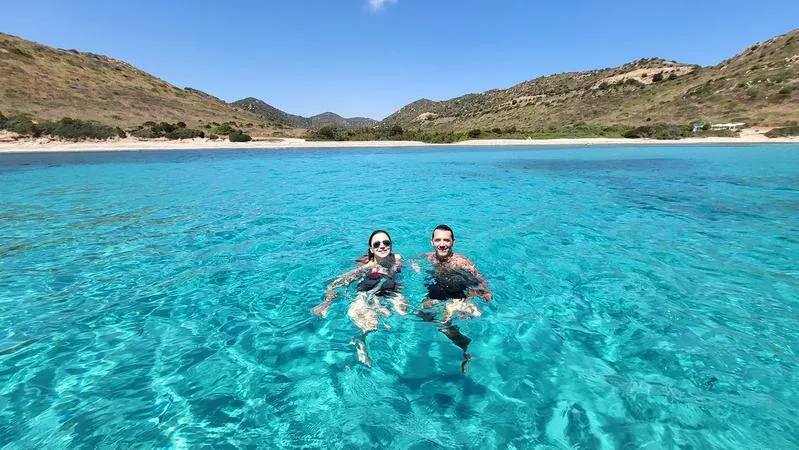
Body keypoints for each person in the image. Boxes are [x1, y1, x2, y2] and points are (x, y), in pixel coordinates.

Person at [312, 230, 407, 367]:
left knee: (403, 313)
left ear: (391, 245)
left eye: (386, 242)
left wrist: (415, 267)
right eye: (377, 244)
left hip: (389, 290)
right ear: (371, 249)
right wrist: (326, 303)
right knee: (371, 325)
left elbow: (408, 264)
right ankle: (360, 341)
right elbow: (335, 284)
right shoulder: (368, 267)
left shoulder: (397, 258)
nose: (382, 246)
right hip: (366, 293)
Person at [416, 224, 492, 373]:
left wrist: (483, 292)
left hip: (457, 293)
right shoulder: (427, 258)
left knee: (452, 317)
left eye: (446, 240)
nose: (442, 244)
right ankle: (454, 334)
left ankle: (463, 345)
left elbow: (479, 279)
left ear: (453, 242)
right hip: (437, 291)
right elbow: (407, 262)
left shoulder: (461, 262)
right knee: (421, 314)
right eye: (438, 240)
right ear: (432, 242)